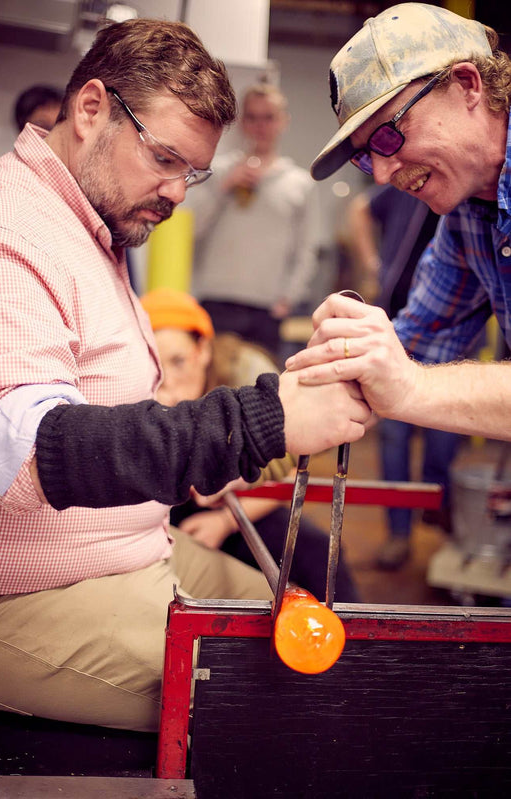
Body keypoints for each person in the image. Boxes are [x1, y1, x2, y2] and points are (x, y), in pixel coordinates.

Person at [0, 18, 371, 733]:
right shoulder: (2, 227)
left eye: (191, 172)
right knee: (289, 701)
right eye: (164, 158)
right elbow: (27, 451)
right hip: (21, 593)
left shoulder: (88, 221)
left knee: (310, 617)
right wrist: (263, 419)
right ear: (91, 108)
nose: (178, 192)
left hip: (129, 549)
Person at [286, 2, 511, 444]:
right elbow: (417, 339)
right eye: (365, 156)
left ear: (467, 85)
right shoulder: (469, 216)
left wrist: (409, 387)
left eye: (389, 134)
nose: (385, 174)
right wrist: (263, 433)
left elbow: (405, 376)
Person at [141, 287, 360, 603]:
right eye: (156, 369)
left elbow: (293, 468)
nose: (169, 381)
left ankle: (356, 645)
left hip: (243, 496)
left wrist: (225, 521)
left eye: (178, 361)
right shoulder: (135, 382)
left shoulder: (247, 372)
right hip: (164, 505)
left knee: (318, 553)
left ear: (202, 349)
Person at [346, 185, 462, 569]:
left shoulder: (469, 203)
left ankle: (439, 508)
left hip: (454, 335)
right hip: (399, 326)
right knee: (393, 437)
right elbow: (360, 208)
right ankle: (399, 533)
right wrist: (372, 265)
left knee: (444, 434)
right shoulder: (408, 185)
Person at [188, 82, 319, 361]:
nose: (261, 126)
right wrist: (224, 187)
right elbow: (190, 229)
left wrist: (289, 297)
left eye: (269, 117)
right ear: (242, 123)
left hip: (267, 307)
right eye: (253, 117)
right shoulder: (218, 171)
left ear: (283, 121)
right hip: (215, 300)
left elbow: (306, 248)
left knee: (258, 388)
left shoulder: (299, 184)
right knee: (211, 387)